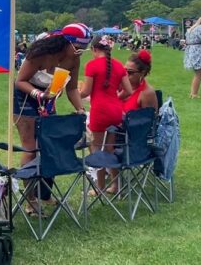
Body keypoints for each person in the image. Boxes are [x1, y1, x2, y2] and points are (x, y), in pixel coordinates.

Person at [14, 23, 91, 213]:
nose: (80, 52)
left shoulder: (73, 59)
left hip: (49, 98)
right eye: (78, 47)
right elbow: (20, 81)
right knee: (30, 147)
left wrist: (81, 109)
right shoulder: (40, 53)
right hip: (26, 98)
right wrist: (39, 95)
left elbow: (72, 88)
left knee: (50, 145)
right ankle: (29, 199)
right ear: (66, 42)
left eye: (84, 48)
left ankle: (45, 194)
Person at [80, 35, 133, 195]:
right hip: (115, 111)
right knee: (110, 149)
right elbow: (129, 91)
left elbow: (86, 92)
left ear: (94, 49)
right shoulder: (118, 66)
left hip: (99, 111)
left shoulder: (92, 66)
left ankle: (100, 186)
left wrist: (75, 93)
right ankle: (116, 185)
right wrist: (115, 98)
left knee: (96, 148)